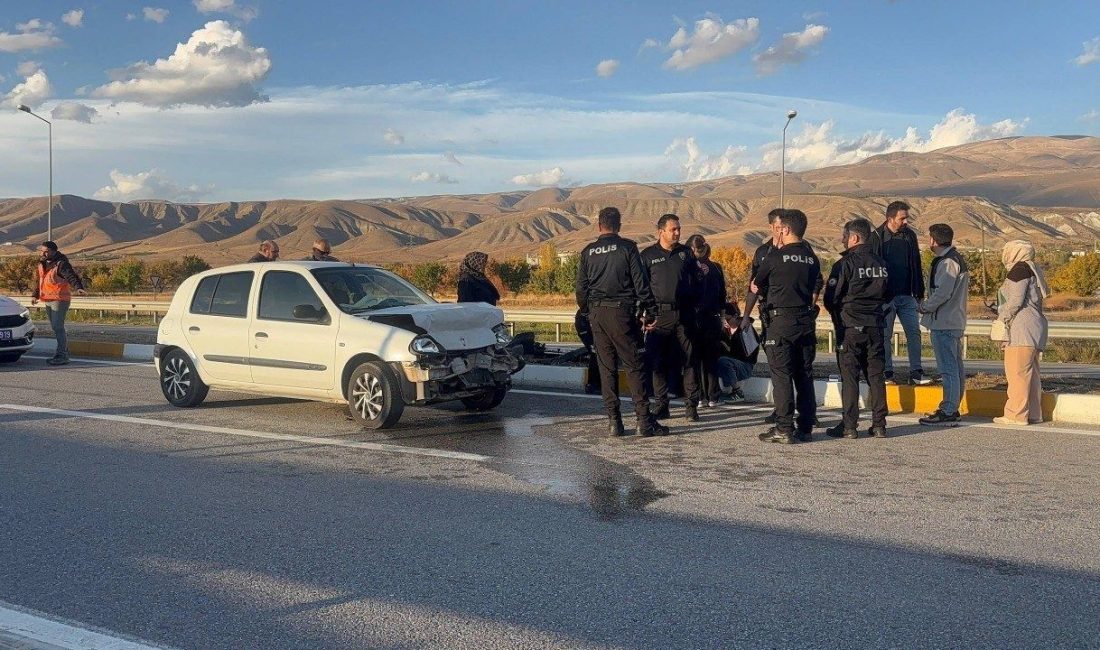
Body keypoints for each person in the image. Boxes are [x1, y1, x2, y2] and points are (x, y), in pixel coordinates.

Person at [576, 207, 669, 438]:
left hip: (597, 314)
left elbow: (580, 290)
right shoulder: (627, 247)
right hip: (622, 313)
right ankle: (643, 421)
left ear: (599, 226)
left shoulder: (588, 252)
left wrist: (588, 310)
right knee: (634, 365)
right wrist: (650, 311)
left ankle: (614, 422)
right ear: (619, 225)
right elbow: (641, 282)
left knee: (607, 368)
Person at [746, 209, 823, 444]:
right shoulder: (812, 259)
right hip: (805, 321)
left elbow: (756, 285)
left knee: (781, 375)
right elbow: (814, 287)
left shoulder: (774, 257)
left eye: (780, 229)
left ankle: (784, 427)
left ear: (786, 230)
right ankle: (806, 426)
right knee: (804, 374)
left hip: (781, 322)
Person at [824, 219, 890, 439]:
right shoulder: (880, 262)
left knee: (850, 376)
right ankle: (879, 424)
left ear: (854, 238)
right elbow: (887, 294)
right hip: (876, 326)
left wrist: (839, 316)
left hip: (851, 326)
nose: (843, 241)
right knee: (876, 376)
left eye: (845, 237)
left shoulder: (845, 264)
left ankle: (849, 426)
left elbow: (831, 298)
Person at [641, 214, 702, 421]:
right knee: (657, 362)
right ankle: (661, 405)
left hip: (683, 314)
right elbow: (641, 288)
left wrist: (695, 308)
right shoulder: (648, 255)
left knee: (690, 360)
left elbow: (698, 282)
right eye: (673, 229)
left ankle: (691, 407)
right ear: (661, 232)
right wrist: (644, 315)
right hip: (659, 316)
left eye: (678, 229)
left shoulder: (686, 253)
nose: (677, 233)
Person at [918, 224, 970, 426]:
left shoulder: (947, 262)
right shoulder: (955, 258)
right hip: (953, 320)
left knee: (948, 368)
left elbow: (942, 292)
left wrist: (925, 307)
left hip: (944, 321)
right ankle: (952, 407)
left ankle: (948, 409)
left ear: (933, 240)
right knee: (955, 367)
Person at [873, 201, 930, 386]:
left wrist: (919, 292)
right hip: (886, 297)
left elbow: (916, 263)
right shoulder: (876, 237)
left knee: (914, 333)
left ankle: (916, 372)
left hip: (907, 295)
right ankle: (887, 373)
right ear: (890, 218)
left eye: (906, 218)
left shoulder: (910, 236)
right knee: (885, 336)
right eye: (902, 218)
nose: (906, 221)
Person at [993, 240, 1050, 425]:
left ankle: (1015, 414)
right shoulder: (1033, 268)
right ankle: (1034, 413)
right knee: (1031, 374)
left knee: (1017, 373)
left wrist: (1002, 319)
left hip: (1021, 328)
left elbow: (1015, 301)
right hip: (1035, 327)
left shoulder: (1018, 269)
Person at [31, 241, 86, 366]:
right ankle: (62, 353)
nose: (43, 253)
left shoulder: (61, 264)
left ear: (54, 251)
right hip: (48, 299)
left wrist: (78, 287)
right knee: (56, 328)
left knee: (58, 327)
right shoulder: (43, 264)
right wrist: (35, 295)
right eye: (42, 251)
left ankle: (62, 355)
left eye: (46, 251)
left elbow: (71, 276)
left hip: (59, 299)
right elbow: (40, 281)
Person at [689, 240, 727, 407]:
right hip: (713, 317)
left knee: (695, 358)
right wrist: (722, 316)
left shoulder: (688, 266)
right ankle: (713, 396)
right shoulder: (716, 267)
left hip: (694, 317)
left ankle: (699, 396)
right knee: (711, 358)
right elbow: (722, 294)